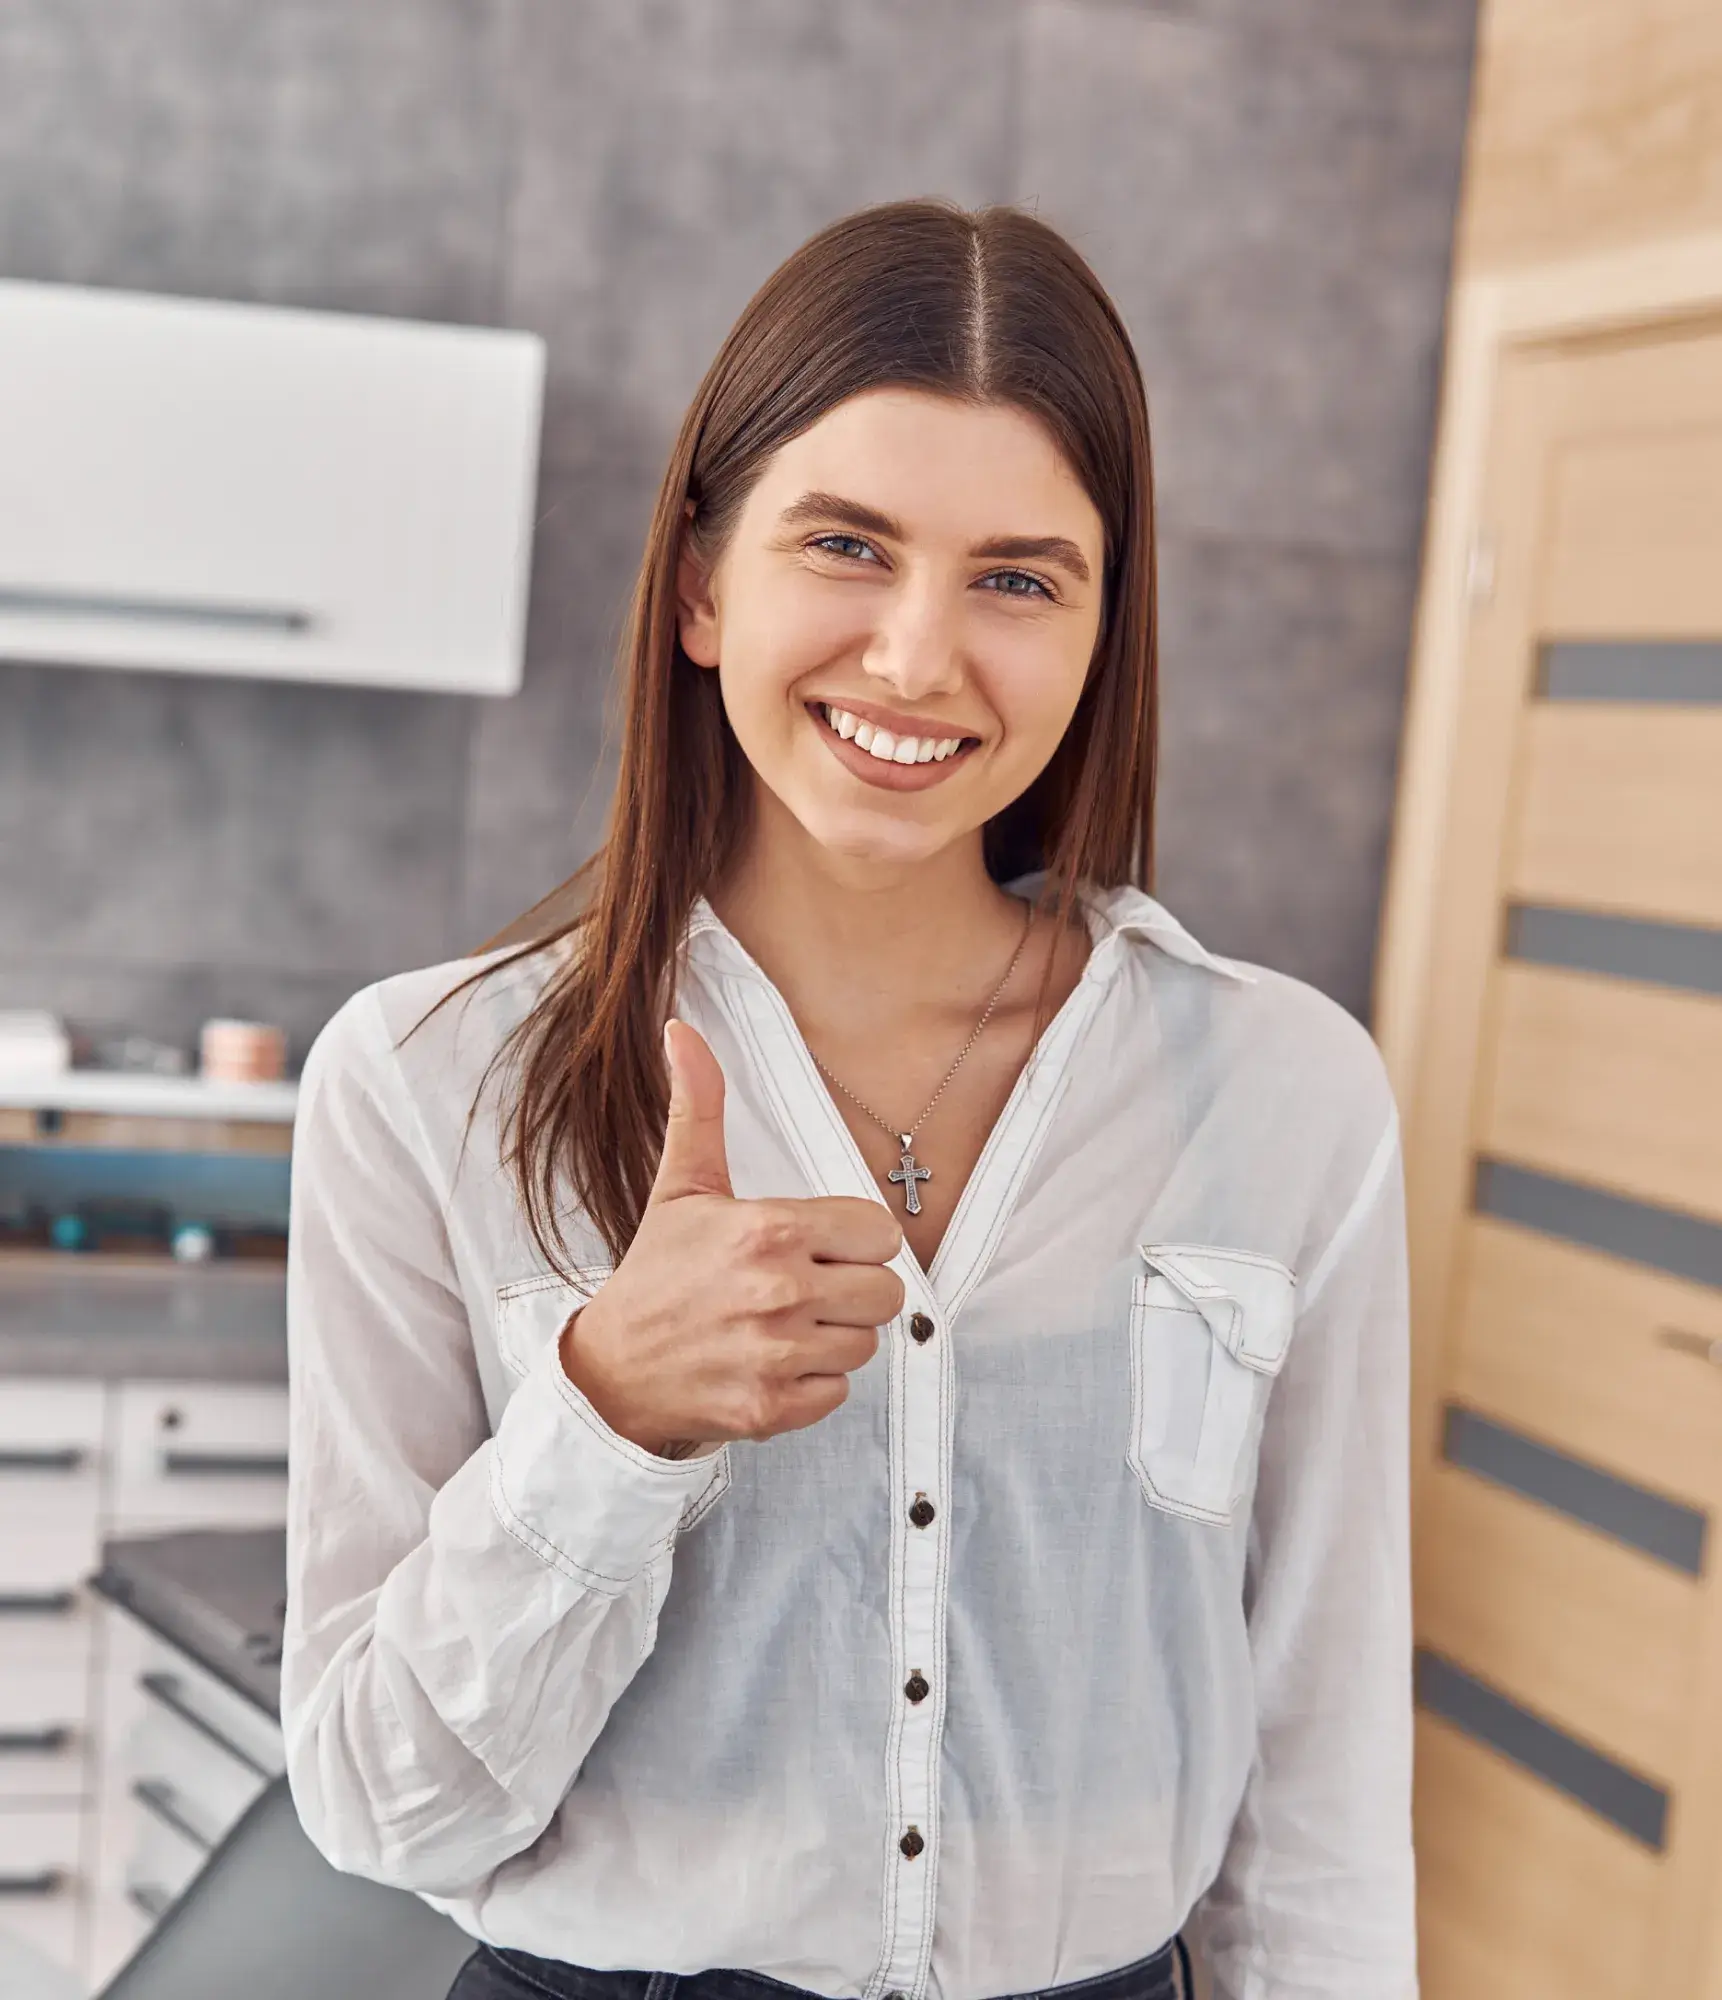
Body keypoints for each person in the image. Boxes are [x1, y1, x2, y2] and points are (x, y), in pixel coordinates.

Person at [282, 199, 1415, 2000]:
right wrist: (608, 1419)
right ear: (701, 583)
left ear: (1103, 627)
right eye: (846, 545)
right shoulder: (428, 1082)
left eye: (1018, 578)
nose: (913, 656)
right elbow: (378, 1810)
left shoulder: (1280, 1095)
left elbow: (1321, 1759)